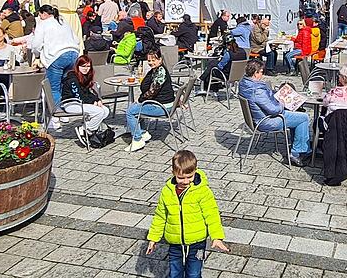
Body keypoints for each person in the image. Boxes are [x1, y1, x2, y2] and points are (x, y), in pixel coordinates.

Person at [146, 150, 229, 278]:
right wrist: (153, 238)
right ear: (173, 173)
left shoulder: (202, 191)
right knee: (174, 273)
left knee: (194, 274)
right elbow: (160, 216)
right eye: (181, 177)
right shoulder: (167, 192)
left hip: (198, 241)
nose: (185, 181)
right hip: (175, 241)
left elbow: (212, 214)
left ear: (195, 171)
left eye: (189, 177)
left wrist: (217, 237)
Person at [238, 59, 311, 166]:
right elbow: (274, 110)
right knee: (303, 118)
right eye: (261, 72)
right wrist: (282, 101)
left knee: (297, 117)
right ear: (255, 73)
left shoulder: (244, 84)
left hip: (259, 118)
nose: (262, 75)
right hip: (266, 121)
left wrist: (276, 93)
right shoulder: (257, 90)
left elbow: (265, 100)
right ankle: (297, 153)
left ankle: (300, 146)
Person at [16, 5, 80, 113]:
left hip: (56, 56)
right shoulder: (63, 21)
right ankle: (68, 107)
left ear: (44, 14)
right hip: (73, 53)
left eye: (40, 15)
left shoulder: (43, 24)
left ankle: (57, 113)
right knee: (65, 84)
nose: (39, 17)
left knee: (54, 87)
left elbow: (36, 44)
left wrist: (36, 55)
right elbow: (77, 40)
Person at [125, 49, 175, 152]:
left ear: (160, 60)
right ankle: (143, 133)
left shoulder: (161, 72)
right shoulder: (156, 70)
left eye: (154, 60)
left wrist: (139, 100)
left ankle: (137, 139)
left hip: (162, 107)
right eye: (149, 60)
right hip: (165, 104)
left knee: (130, 111)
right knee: (138, 108)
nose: (151, 62)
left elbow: (152, 91)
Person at [62, 55, 111, 148]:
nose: (86, 69)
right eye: (83, 66)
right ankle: (84, 130)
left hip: (80, 102)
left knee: (105, 110)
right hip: (71, 103)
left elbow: (88, 92)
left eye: (88, 66)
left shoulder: (84, 76)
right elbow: (79, 97)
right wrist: (93, 102)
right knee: (99, 111)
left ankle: (87, 129)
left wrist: (96, 100)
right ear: (77, 66)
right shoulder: (72, 79)